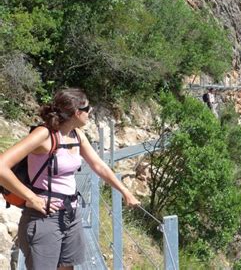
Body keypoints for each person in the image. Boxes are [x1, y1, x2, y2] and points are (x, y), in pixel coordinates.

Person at [0, 88, 140, 270]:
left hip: (72, 215)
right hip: (44, 217)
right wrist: (32, 198)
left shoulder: (76, 135)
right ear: (77, 112)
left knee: (67, 266)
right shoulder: (44, 135)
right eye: (88, 109)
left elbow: (99, 165)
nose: (91, 113)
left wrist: (125, 192)